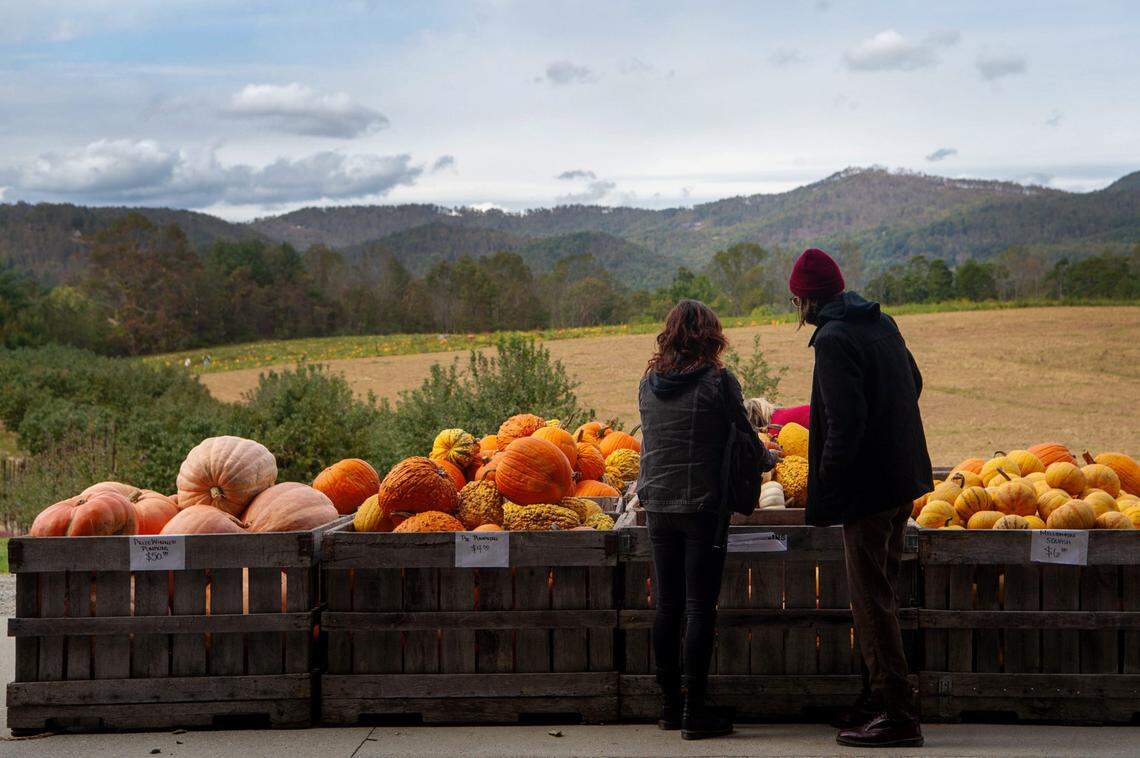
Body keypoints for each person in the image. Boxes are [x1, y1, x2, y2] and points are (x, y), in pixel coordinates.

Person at [788, 248, 931, 748]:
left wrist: (826, 486)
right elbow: (913, 381)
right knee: (883, 595)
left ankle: (898, 714)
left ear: (803, 300)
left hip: (868, 491)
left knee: (871, 603)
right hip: (903, 478)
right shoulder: (881, 322)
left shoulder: (832, 338)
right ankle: (876, 700)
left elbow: (844, 425)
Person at [635, 299, 778, 740]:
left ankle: (668, 706)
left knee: (668, 605)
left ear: (670, 334)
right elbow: (741, 436)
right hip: (701, 506)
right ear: (711, 336)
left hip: (657, 504)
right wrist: (767, 458)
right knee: (699, 607)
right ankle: (695, 711)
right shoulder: (719, 381)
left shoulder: (648, 382)